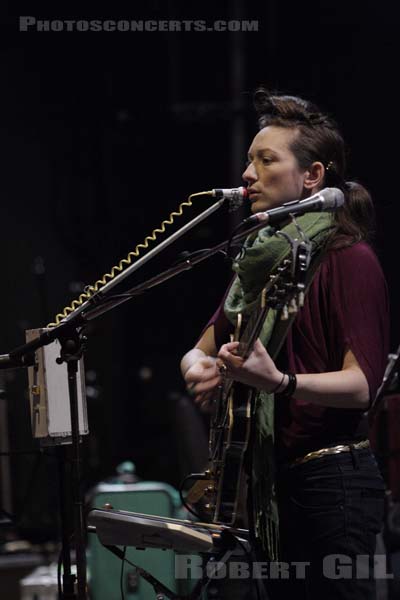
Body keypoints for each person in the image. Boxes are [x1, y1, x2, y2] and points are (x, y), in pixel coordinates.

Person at [180, 90, 390, 599]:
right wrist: (198, 368)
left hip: (330, 484)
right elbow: (200, 349)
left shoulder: (349, 259)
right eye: (249, 160)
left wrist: (280, 382)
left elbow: (363, 384)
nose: (247, 174)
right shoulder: (259, 262)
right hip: (266, 482)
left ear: (313, 177)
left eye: (265, 160)